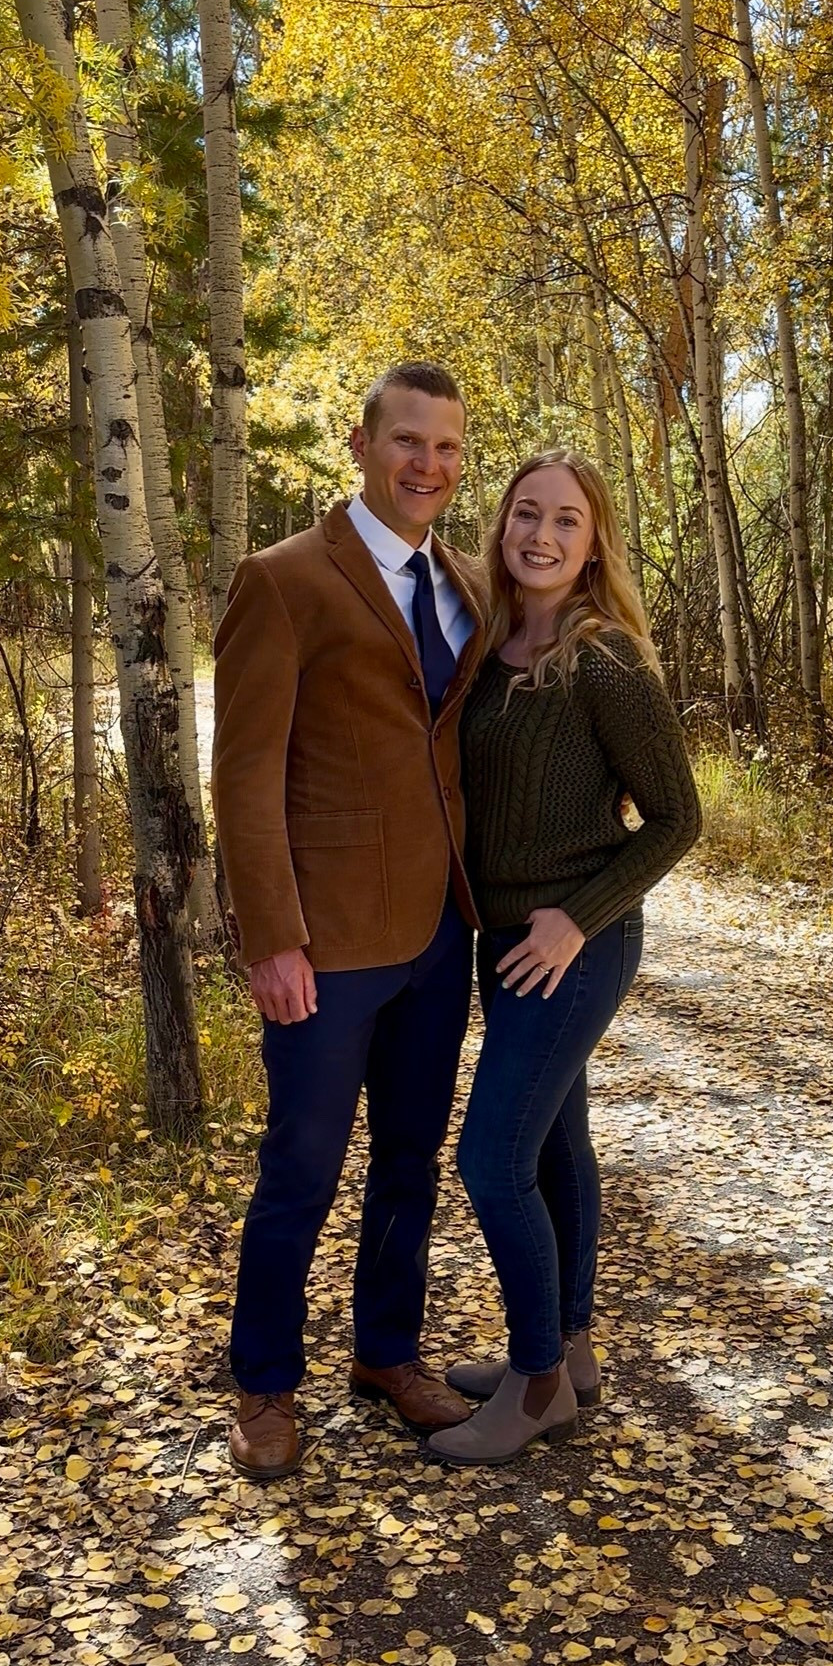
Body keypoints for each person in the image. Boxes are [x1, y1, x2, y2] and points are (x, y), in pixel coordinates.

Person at [212, 361, 485, 1480]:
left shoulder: (465, 581)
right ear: (364, 443)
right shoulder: (284, 580)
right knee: (303, 1165)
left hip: (440, 932)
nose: (428, 463)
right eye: (409, 440)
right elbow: (243, 772)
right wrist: (271, 934)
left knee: (413, 1157)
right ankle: (264, 1381)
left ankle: (386, 1350)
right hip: (325, 946)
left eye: (449, 448)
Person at [428, 447, 701, 1467]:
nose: (539, 535)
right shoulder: (485, 645)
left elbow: (678, 817)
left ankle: (536, 1378)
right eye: (525, 514)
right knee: (552, 1145)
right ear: (503, 528)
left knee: (490, 1158)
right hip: (504, 942)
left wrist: (575, 918)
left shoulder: (606, 658)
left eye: (566, 522)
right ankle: (571, 1351)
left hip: (573, 944)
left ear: (594, 547)